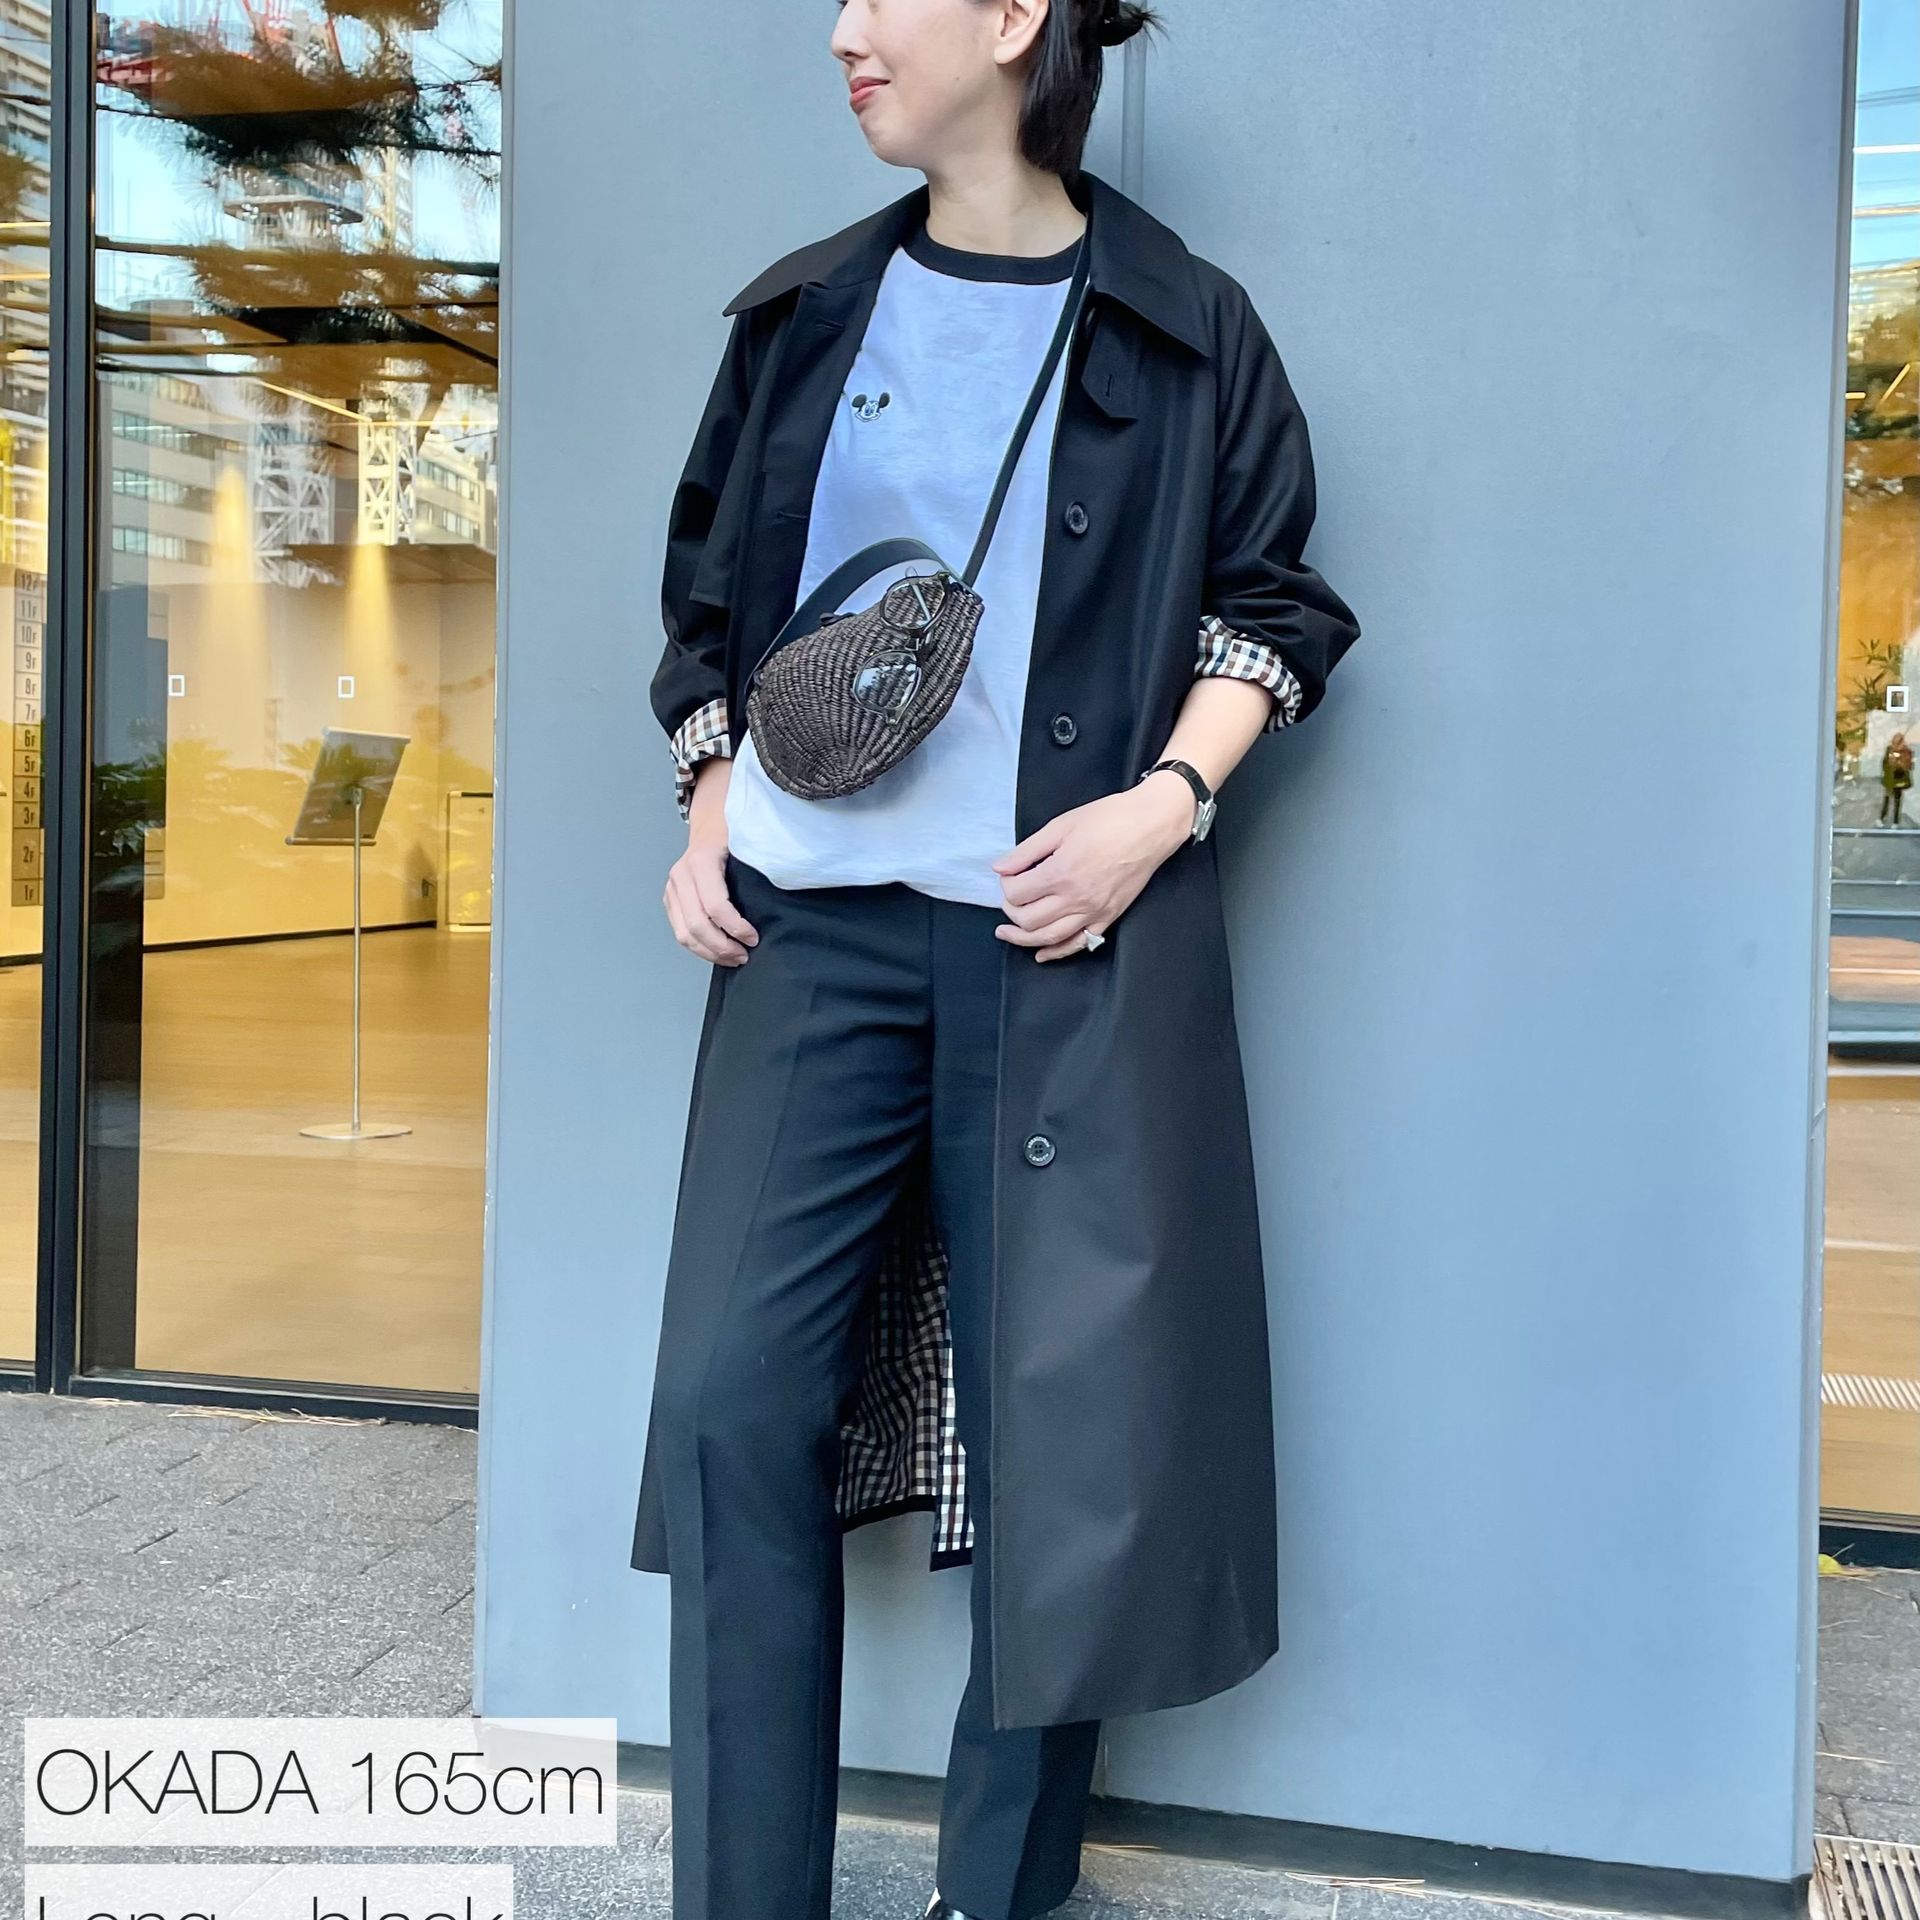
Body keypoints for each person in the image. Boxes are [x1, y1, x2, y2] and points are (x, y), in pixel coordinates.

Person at [628, 3, 1364, 1918]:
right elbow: (707, 611)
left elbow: (1275, 606)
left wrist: (1161, 810)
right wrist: (708, 809)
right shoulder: (803, 314)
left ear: (1015, 16)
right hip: (807, 940)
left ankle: (997, 1894)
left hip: (1059, 952)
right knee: (728, 1405)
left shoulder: (1184, 326)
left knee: (1062, 1435)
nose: (845, 32)